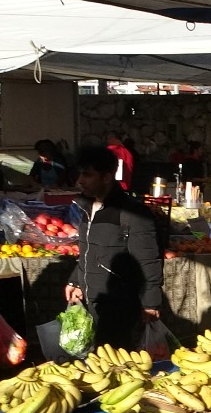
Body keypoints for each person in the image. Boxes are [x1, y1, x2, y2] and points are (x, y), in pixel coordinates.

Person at [64, 145, 164, 349]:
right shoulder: (86, 209)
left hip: (119, 305)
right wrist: (75, 281)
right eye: (80, 174)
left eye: (87, 175)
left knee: (115, 362)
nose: (80, 181)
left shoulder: (132, 213)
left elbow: (148, 261)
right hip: (92, 299)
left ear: (107, 177)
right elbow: (88, 251)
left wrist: (150, 303)